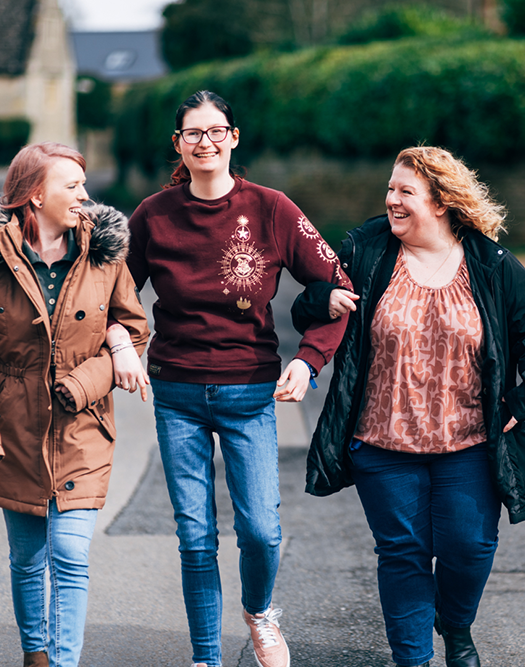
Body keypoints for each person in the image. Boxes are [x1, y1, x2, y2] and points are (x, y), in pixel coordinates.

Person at [292, 146, 525, 667]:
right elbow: (310, 307)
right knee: (403, 556)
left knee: (470, 549)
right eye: (390, 189)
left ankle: (456, 626)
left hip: (469, 443)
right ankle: (412, 659)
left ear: (440, 202)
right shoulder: (365, 253)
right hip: (382, 442)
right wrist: (322, 301)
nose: (391, 200)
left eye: (405, 192)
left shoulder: (490, 263)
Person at [123, 90, 351, 667]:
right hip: (175, 393)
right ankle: (205, 656)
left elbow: (337, 289)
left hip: (251, 391)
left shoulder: (273, 209)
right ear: (178, 143)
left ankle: (259, 613)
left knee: (261, 531)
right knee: (196, 535)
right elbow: (109, 295)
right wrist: (120, 343)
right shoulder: (153, 216)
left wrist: (309, 359)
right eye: (193, 133)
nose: (206, 142)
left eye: (216, 131)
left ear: (234, 137)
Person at [0, 142, 150, 667]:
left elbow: (136, 326)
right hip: (14, 423)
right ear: (36, 196)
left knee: (71, 555)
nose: (85, 195)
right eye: (72, 186)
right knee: (28, 557)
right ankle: (35, 653)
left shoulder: (104, 251)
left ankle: (62, 663)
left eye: (83, 184)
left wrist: (94, 374)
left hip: (83, 424)